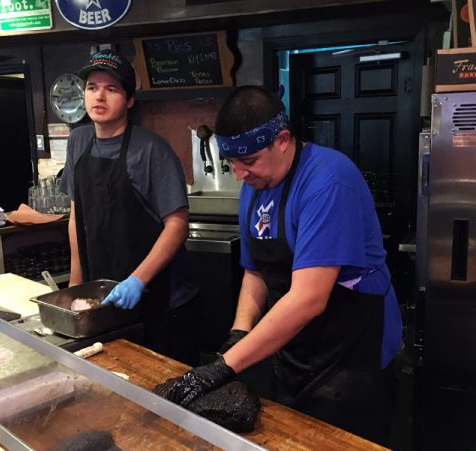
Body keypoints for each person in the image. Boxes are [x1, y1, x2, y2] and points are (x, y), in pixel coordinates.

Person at [154, 85, 403, 445]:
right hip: (297, 348)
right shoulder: (254, 186)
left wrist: (224, 366)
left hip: (352, 356)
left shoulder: (328, 181)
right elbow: (255, 271)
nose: (239, 175)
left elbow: (309, 298)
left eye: (249, 161)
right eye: (231, 163)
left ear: (282, 140)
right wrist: (238, 334)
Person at [58, 50, 195, 361]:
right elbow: (76, 215)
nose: (99, 96)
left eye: (112, 89)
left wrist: (138, 280)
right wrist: (76, 285)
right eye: (92, 87)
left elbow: (177, 224)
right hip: (103, 300)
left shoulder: (152, 150)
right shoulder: (78, 141)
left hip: (157, 299)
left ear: (130, 100)